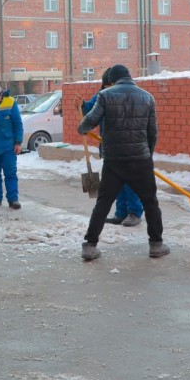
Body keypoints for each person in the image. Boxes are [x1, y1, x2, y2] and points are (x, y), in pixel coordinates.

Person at [77, 64, 169, 260]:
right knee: (151, 202)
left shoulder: (105, 95)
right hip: (140, 159)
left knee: (103, 203)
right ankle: (156, 245)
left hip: (114, 160)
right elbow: (152, 132)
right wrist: (147, 155)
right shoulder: (147, 97)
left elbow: (91, 120)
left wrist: (82, 127)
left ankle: (89, 246)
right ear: (129, 76)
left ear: (114, 79)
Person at [80, 67, 144, 228]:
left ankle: (135, 213)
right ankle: (121, 213)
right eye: (107, 86)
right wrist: (81, 105)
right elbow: (90, 109)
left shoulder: (132, 94)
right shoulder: (102, 95)